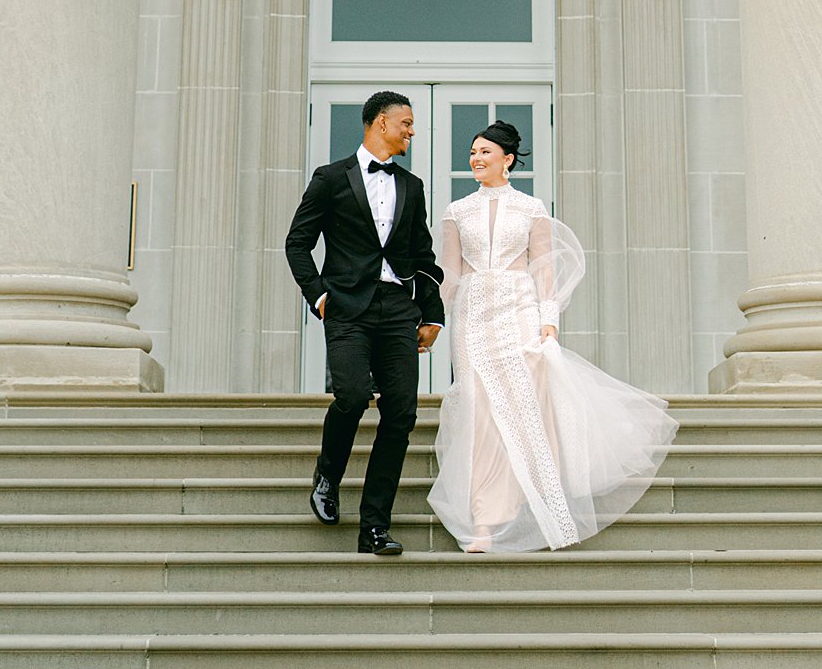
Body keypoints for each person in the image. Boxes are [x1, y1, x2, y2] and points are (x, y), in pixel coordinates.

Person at [428, 119, 677, 554]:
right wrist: (429, 317)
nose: (476, 159)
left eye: (485, 152)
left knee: (526, 406)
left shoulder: (531, 208)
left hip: (520, 308)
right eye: (472, 152)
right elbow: (450, 273)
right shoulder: (456, 211)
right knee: (479, 411)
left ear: (507, 159)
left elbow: (542, 266)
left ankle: (535, 504)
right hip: (473, 316)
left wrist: (549, 320)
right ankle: (484, 520)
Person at [284, 89, 444, 556]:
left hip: (398, 309)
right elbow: (297, 243)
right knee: (352, 395)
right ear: (379, 124)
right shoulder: (331, 178)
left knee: (402, 414)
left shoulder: (411, 188)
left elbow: (423, 256)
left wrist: (431, 313)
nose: (412, 131)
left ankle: (374, 526)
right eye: (406, 123)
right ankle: (328, 476)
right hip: (347, 308)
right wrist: (318, 295)